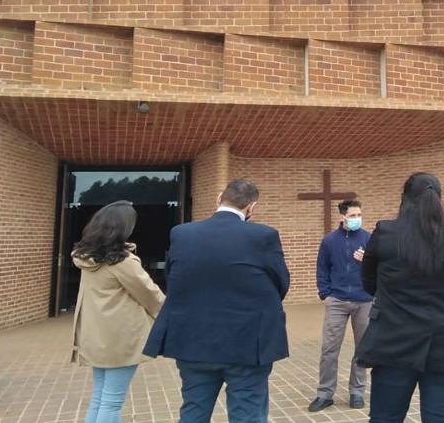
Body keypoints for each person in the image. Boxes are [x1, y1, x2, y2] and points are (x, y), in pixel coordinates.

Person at [143, 179, 290, 423]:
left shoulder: (182, 233)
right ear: (252, 207)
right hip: (247, 342)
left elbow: (174, 279)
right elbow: (280, 283)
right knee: (247, 414)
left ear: (219, 197)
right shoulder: (263, 236)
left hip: (193, 340)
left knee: (193, 411)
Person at [355, 172, 444, 423]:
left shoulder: (386, 232)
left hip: (394, 338)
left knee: (386, 416)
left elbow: (370, 282)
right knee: (441, 417)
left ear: (405, 198)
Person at [71, 200, 165, 423]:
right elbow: (150, 295)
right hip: (120, 338)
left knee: (100, 397)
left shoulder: (85, 257)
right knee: (112, 401)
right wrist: (171, 318)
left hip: (96, 336)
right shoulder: (122, 262)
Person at [309, 199, 373, 412]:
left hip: (364, 300)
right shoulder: (330, 240)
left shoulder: (369, 239)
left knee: (362, 348)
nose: (357, 219)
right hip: (336, 300)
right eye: (353, 215)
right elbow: (322, 268)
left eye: (359, 215)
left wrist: (368, 261)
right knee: (329, 349)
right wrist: (325, 293)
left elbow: (379, 269)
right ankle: (325, 393)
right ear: (342, 216)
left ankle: (357, 391)